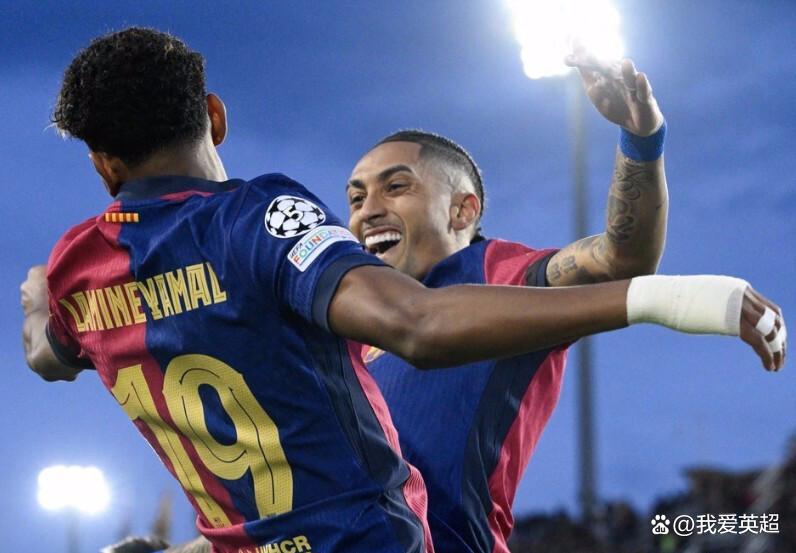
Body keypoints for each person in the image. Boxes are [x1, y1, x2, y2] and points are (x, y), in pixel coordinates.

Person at [21, 27, 784, 553]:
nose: (365, 209)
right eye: (353, 195)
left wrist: (642, 141)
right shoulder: (316, 308)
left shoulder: (497, 277)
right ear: (212, 117)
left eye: (396, 185)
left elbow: (622, 257)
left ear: (465, 209)